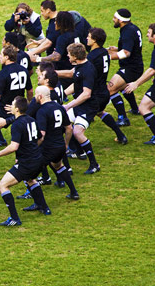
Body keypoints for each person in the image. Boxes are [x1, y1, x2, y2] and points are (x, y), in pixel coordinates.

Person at [0, 96, 52, 226]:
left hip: (27, 163)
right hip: (38, 160)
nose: (10, 106)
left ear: (16, 109)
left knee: (2, 185)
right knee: (31, 180)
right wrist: (30, 149)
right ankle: (44, 208)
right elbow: (40, 138)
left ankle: (14, 218)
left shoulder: (16, 124)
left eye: (12, 104)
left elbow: (14, 147)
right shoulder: (31, 120)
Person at [32, 85, 78, 202]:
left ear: (40, 96)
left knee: (30, 173)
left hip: (48, 148)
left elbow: (41, 136)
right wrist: (66, 144)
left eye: (36, 95)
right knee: (59, 166)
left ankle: (38, 203)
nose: (34, 98)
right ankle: (74, 192)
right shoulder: (59, 107)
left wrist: (33, 147)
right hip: (60, 146)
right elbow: (69, 128)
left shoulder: (42, 111)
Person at [61, 43, 101, 174]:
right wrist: (61, 94)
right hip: (79, 105)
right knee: (61, 123)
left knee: (78, 132)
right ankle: (75, 150)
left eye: (69, 54)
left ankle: (94, 164)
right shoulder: (79, 67)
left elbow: (86, 94)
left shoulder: (88, 69)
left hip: (88, 107)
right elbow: (76, 84)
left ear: (75, 56)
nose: (67, 56)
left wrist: (68, 105)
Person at [86, 28, 128, 145]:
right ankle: (121, 136)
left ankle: (75, 149)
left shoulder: (91, 57)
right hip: (104, 92)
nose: (87, 38)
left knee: (78, 120)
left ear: (94, 40)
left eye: (89, 37)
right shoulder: (104, 52)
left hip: (94, 94)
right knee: (100, 113)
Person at [106, 9, 143, 126]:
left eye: (114, 18)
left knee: (110, 89)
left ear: (120, 20)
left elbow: (126, 53)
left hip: (131, 68)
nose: (113, 19)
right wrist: (116, 49)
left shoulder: (127, 32)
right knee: (123, 87)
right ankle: (135, 109)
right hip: (135, 66)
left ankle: (123, 118)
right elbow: (132, 47)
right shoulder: (133, 28)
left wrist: (109, 57)